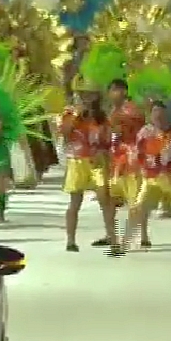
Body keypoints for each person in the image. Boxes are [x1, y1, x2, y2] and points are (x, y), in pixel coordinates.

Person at [118, 101, 171, 259]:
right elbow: (138, 155)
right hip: (152, 178)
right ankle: (124, 244)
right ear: (151, 116)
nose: (159, 117)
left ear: (169, 115)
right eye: (155, 114)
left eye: (162, 114)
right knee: (137, 209)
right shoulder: (145, 133)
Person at [60, 92, 117, 252]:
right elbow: (65, 134)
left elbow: (108, 139)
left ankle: (111, 236)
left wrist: (106, 154)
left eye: (89, 96)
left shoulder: (101, 117)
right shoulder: (69, 115)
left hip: (97, 160)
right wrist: (76, 115)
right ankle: (71, 241)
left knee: (105, 198)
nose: (85, 99)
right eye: (81, 96)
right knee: (75, 202)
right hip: (77, 160)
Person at [101, 79, 146, 248]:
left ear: (125, 91)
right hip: (117, 159)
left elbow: (129, 130)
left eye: (119, 90)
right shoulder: (113, 110)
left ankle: (141, 236)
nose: (116, 93)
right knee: (111, 199)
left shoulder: (130, 110)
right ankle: (111, 235)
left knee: (134, 198)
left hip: (131, 158)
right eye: (113, 90)